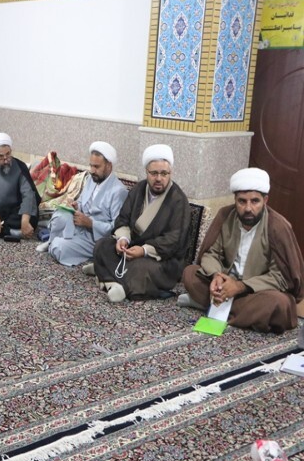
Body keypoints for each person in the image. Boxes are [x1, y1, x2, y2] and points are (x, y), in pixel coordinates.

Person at [180, 168, 304, 333]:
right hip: (225, 283)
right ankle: (235, 311)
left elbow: (280, 277)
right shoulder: (226, 216)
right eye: (242, 201)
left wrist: (240, 286)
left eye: (255, 201)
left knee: (280, 305)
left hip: (255, 291)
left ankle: (208, 304)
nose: (248, 208)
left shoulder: (277, 227)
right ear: (235, 200)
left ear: (265, 200)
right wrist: (217, 276)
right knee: (190, 273)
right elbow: (212, 253)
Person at [92, 144, 191, 302]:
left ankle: (108, 277)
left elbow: (175, 240)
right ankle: (113, 279)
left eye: (164, 173)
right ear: (147, 172)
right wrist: (123, 239)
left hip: (161, 259)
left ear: (170, 173)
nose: (159, 178)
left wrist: (144, 250)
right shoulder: (139, 189)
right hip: (131, 248)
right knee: (102, 246)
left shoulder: (178, 200)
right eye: (154, 173)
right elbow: (123, 218)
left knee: (139, 267)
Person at [35, 141, 128, 267]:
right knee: (60, 214)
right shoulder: (92, 179)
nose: (92, 170)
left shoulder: (118, 191)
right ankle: (52, 240)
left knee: (59, 248)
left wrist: (90, 223)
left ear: (109, 166)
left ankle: (56, 242)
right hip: (79, 226)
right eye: (91, 166)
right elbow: (82, 201)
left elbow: (116, 227)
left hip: (94, 238)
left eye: (97, 167)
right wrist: (75, 205)